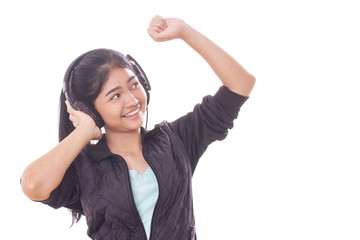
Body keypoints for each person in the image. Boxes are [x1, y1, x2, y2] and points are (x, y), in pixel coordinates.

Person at [21, 15, 255, 240]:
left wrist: (186, 31)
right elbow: (33, 186)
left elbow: (241, 85)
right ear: (89, 110)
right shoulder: (85, 167)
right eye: (115, 96)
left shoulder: (177, 139)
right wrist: (83, 131)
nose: (132, 101)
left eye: (134, 85)